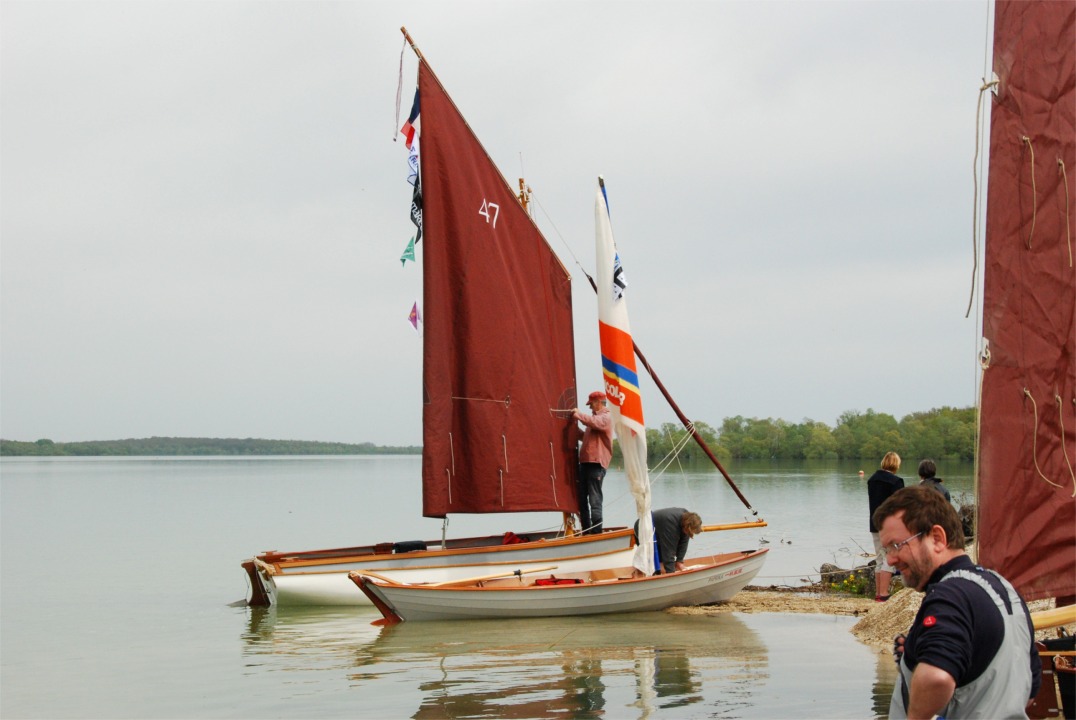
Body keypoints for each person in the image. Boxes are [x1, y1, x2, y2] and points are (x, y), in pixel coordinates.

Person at [875, 486, 1041, 720]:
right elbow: (1028, 690)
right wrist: (915, 658)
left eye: (897, 545)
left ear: (937, 538)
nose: (891, 560)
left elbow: (937, 679)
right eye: (886, 549)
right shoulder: (1003, 588)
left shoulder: (949, 596)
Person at [572, 390, 613, 535]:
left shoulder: (606, 417)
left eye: (591, 404)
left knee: (594, 500)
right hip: (585, 463)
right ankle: (586, 531)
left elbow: (593, 422)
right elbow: (587, 438)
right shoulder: (594, 421)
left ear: (599, 402)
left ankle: (596, 533)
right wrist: (575, 431)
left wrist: (578, 414)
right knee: (582, 499)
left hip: (596, 465)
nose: (590, 407)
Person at [867, 451, 905, 601]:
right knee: (890, 558)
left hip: (874, 523)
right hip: (889, 526)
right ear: (896, 464)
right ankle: (883, 594)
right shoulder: (895, 482)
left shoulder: (872, 480)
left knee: (879, 558)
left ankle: (877, 593)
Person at [635, 507, 702, 574]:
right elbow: (668, 551)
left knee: (664, 562)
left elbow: (684, 540)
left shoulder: (686, 519)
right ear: (686, 527)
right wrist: (671, 574)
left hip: (659, 529)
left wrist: (679, 561)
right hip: (643, 528)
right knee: (657, 563)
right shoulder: (671, 525)